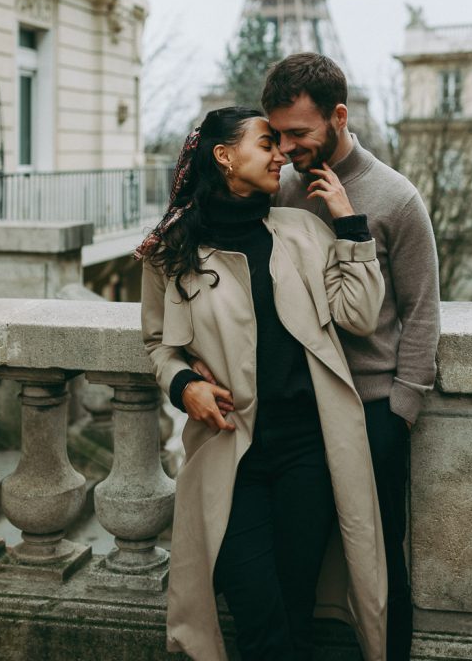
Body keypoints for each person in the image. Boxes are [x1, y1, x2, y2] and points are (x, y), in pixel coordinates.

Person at [138, 107, 387, 661]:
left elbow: (361, 315)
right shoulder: (169, 251)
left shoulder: (301, 231)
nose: (282, 155)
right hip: (230, 452)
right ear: (223, 156)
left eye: (281, 144)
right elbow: (158, 343)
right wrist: (184, 386)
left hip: (308, 452)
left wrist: (349, 224)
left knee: (297, 614)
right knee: (258, 617)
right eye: (266, 144)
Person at [262, 53, 441, 661]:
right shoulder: (280, 188)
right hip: (300, 409)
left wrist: (401, 410)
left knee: (381, 556)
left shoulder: (396, 197)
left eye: (299, 134)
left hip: (371, 409)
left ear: (339, 117)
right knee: (297, 556)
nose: (285, 148)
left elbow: (420, 310)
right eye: (276, 133)